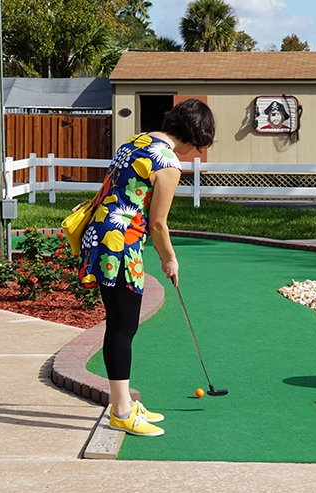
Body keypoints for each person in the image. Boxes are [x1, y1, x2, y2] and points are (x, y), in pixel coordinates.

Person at [78, 98, 215, 437]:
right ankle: (122, 411)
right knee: (122, 328)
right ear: (192, 135)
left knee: (119, 324)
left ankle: (124, 401)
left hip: (100, 235)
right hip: (120, 246)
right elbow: (157, 224)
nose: (195, 153)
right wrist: (169, 258)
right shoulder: (168, 163)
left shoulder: (136, 141)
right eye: (198, 145)